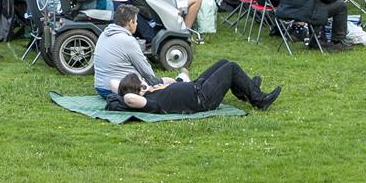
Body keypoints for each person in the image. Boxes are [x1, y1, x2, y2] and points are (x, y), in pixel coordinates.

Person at [110, 62, 280, 114]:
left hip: (197, 87)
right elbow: (128, 97)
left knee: (224, 62)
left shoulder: (151, 91)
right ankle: (259, 99)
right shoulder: (147, 102)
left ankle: (246, 88)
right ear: (137, 89)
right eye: (141, 82)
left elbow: (116, 83)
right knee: (232, 68)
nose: (144, 82)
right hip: (202, 99)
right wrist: (131, 91)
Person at [92, 5, 163, 99]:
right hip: (119, 88)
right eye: (136, 21)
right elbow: (146, 71)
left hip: (100, 87)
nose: (137, 24)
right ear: (130, 23)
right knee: (166, 82)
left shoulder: (104, 34)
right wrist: (156, 83)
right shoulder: (128, 41)